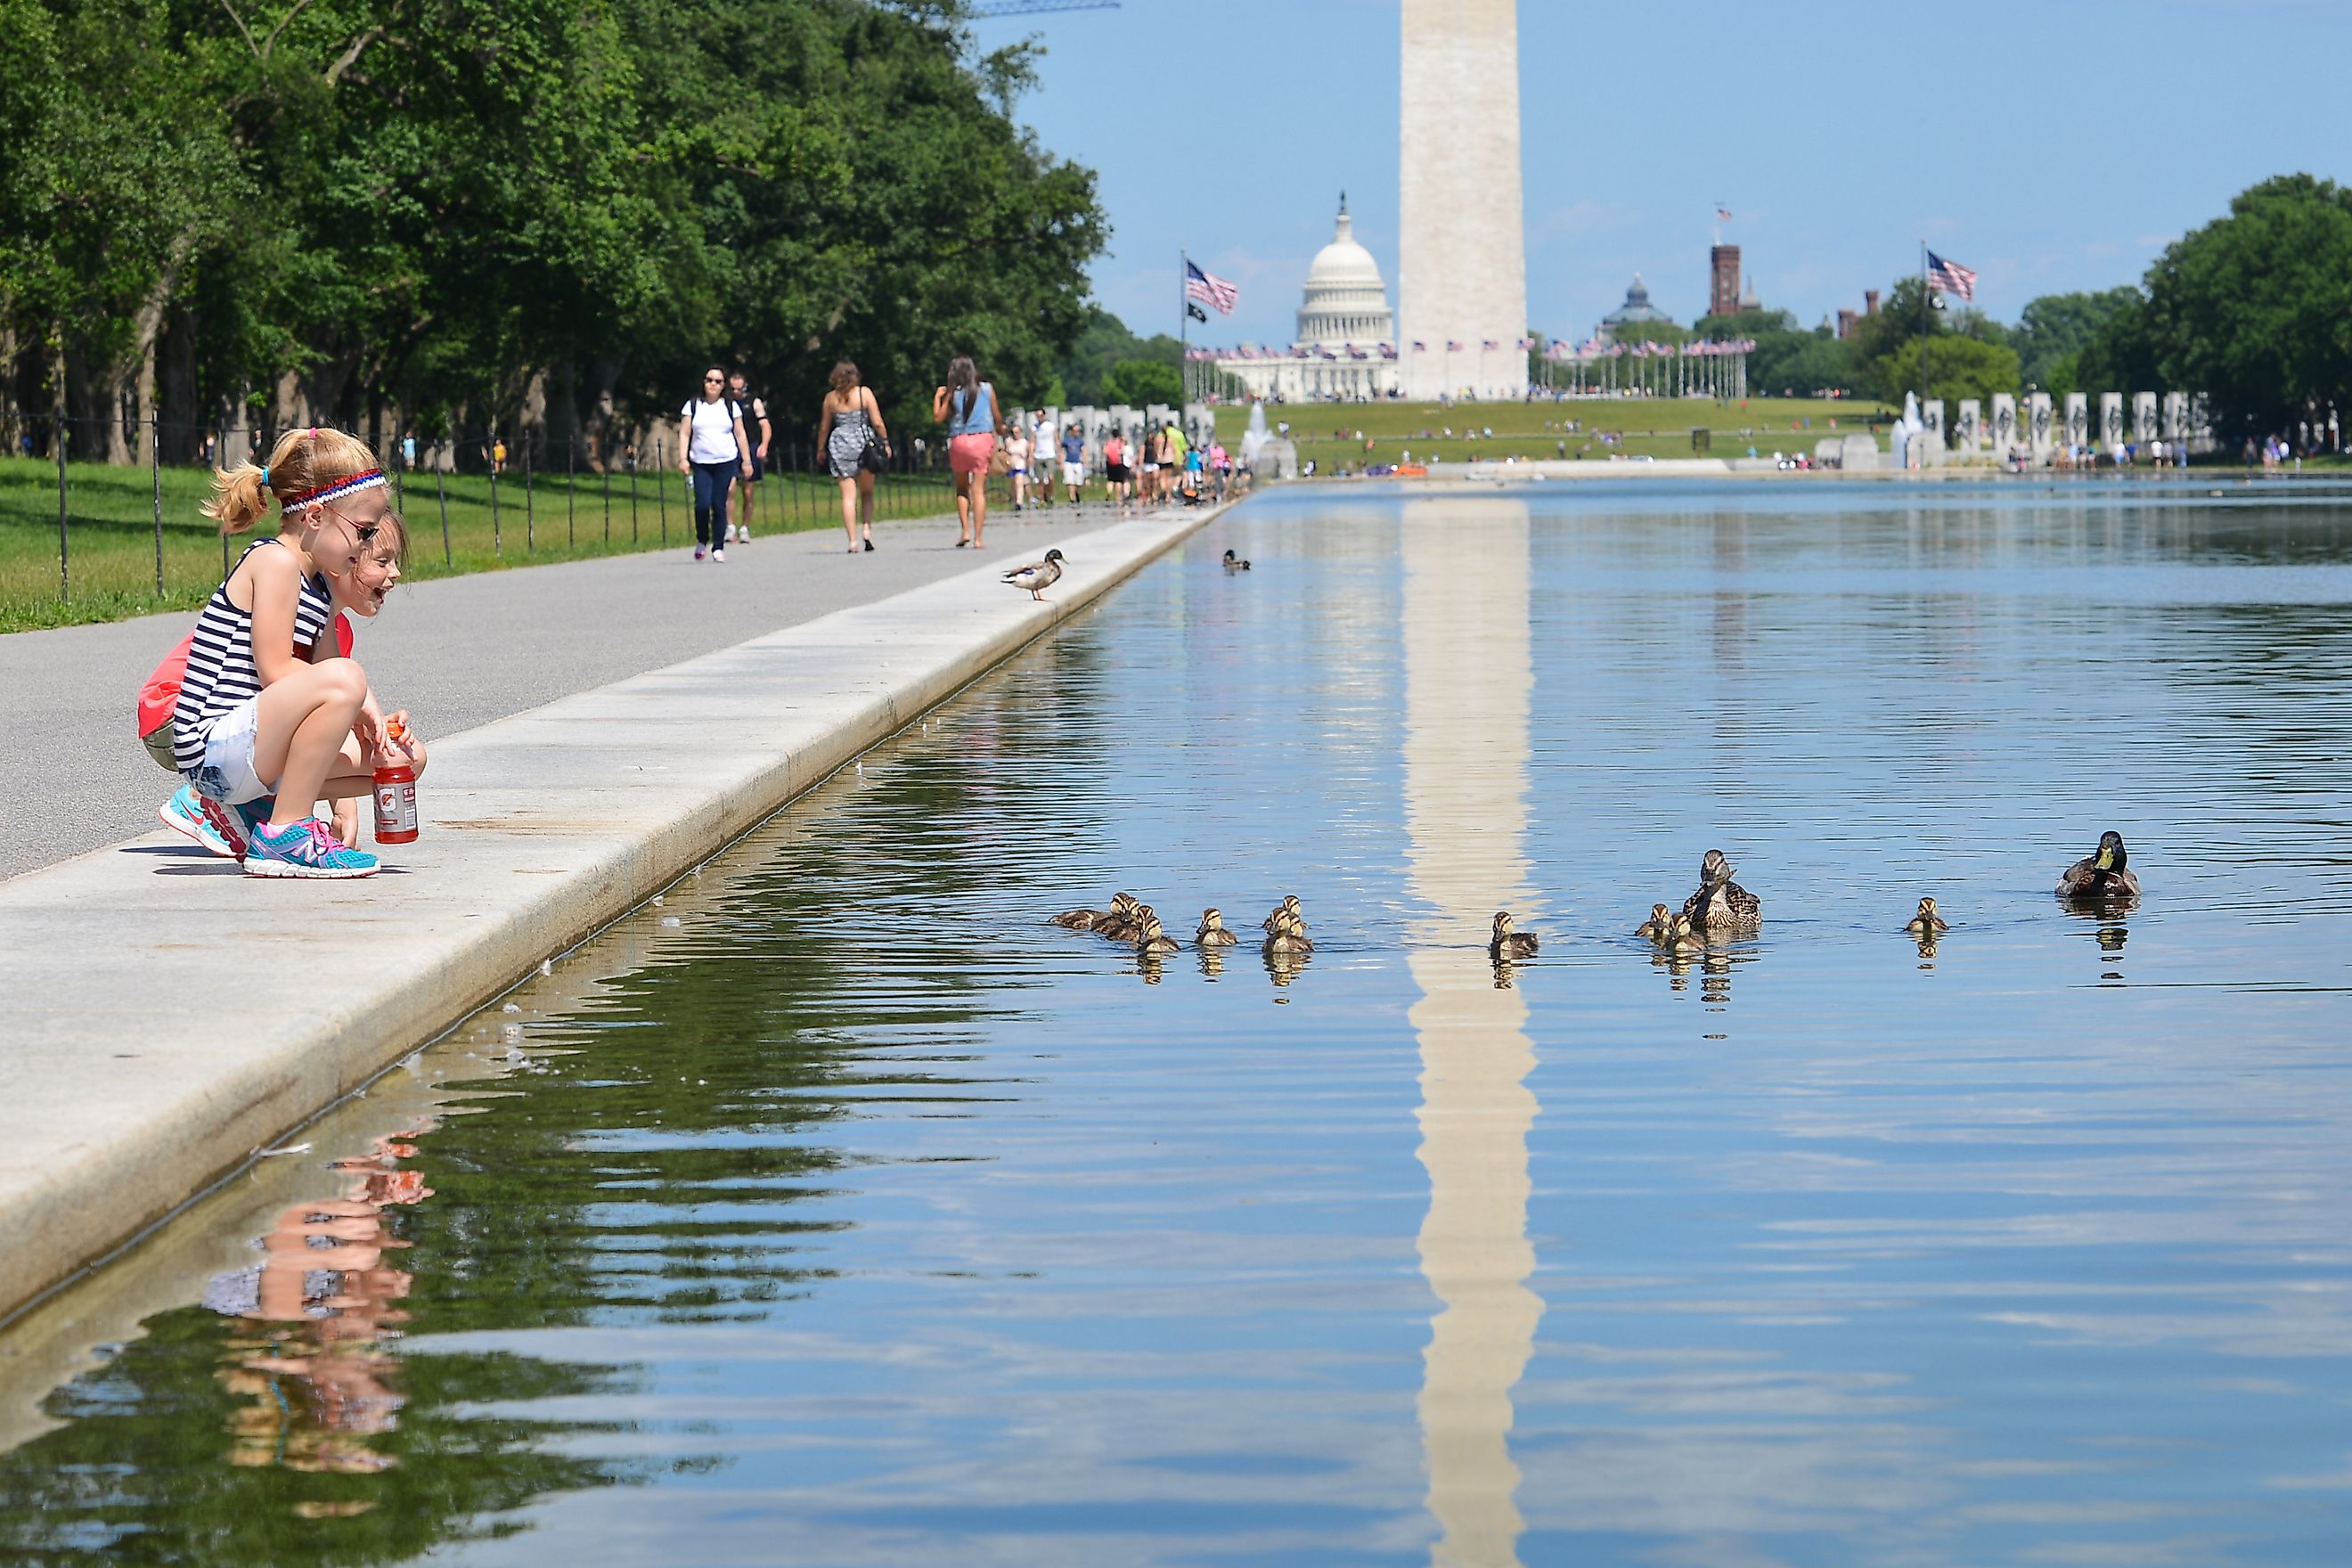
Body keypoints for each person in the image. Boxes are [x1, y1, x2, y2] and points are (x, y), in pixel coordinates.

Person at [166, 427, 424, 878]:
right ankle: (284, 833)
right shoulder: (275, 562)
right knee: (348, 678)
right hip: (211, 748)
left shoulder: (319, 588)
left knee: (405, 760)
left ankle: (273, 816)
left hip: (252, 750)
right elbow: (275, 670)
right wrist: (358, 701)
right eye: (363, 533)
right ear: (316, 516)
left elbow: (325, 681)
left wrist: (372, 726)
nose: (366, 547)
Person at [677, 366, 752, 562]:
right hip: (701, 462)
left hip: (725, 461)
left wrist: (746, 461)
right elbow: (684, 433)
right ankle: (702, 540)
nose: (713, 384)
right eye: (710, 380)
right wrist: (683, 458)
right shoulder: (693, 405)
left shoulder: (730, 406)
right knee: (702, 504)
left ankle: (718, 547)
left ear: (723, 385)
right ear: (704, 382)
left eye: (718, 381)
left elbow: (740, 434)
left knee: (719, 505)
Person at [819, 360, 888, 553]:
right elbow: (877, 421)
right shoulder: (863, 393)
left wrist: (820, 448)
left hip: (841, 443)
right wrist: (885, 440)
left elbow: (824, 426)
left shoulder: (830, 398)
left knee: (848, 496)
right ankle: (866, 529)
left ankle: (852, 541)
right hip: (863, 444)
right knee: (867, 492)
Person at [932, 355, 1000, 548]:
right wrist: (1001, 428)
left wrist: (938, 397)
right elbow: (997, 416)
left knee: (962, 488)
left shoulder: (953, 393)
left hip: (959, 441)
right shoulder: (986, 389)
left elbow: (938, 418)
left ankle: (965, 531)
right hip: (981, 440)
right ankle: (978, 538)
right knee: (978, 490)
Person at [726, 371, 772, 543]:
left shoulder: (754, 402)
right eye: (733, 389)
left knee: (747, 490)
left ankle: (745, 527)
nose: (736, 392)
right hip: (730, 448)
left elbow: (765, 424)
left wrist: (764, 444)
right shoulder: (726, 403)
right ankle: (730, 527)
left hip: (751, 446)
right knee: (728, 488)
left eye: (739, 389)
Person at [1005, 421, 1032, 512]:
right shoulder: (1009, 441)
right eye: (1013, 432)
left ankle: (1019, 502)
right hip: (1011, 465)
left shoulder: (1024, 442)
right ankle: (1014, 500)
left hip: (1021, 465)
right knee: (1013, 485)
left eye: (1017, 432)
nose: (1015, 434)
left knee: (1019, 483)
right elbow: (1006, 452)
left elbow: (1027, 454)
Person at [1060, 422, 1087, 505]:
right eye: (1075, 431)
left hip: (1078, 462)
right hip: (1069, 462)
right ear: (1071, 431)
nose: (1077, 432)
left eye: (1078, 431)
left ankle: (1077, 494)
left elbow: (1084, 450)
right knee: (1070, 481)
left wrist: (1085, 461)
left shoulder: (1080, 441)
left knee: (1079, 481)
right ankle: (1072, 498)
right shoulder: (1066, 440)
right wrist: (1061, 462)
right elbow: (1062, 451)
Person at [1102, 429, 1128, 508]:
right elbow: (1123, 451)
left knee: (1110, 480)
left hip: (1110, 463)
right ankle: (1118, 497)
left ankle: (1109, 493)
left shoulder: (1108, 442)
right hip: (1118, 463)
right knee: (1118, 482)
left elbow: (1105, 451)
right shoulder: (1120, 442)